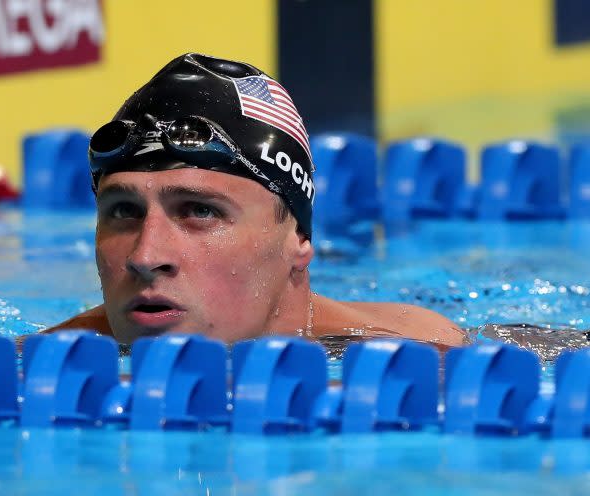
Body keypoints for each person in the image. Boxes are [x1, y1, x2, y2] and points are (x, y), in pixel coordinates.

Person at [43, 53, 467, 348]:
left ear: (298, 238)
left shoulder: (425, 357)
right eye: (123, 211)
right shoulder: (39, 362)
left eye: (200, 211)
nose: (146, 255)